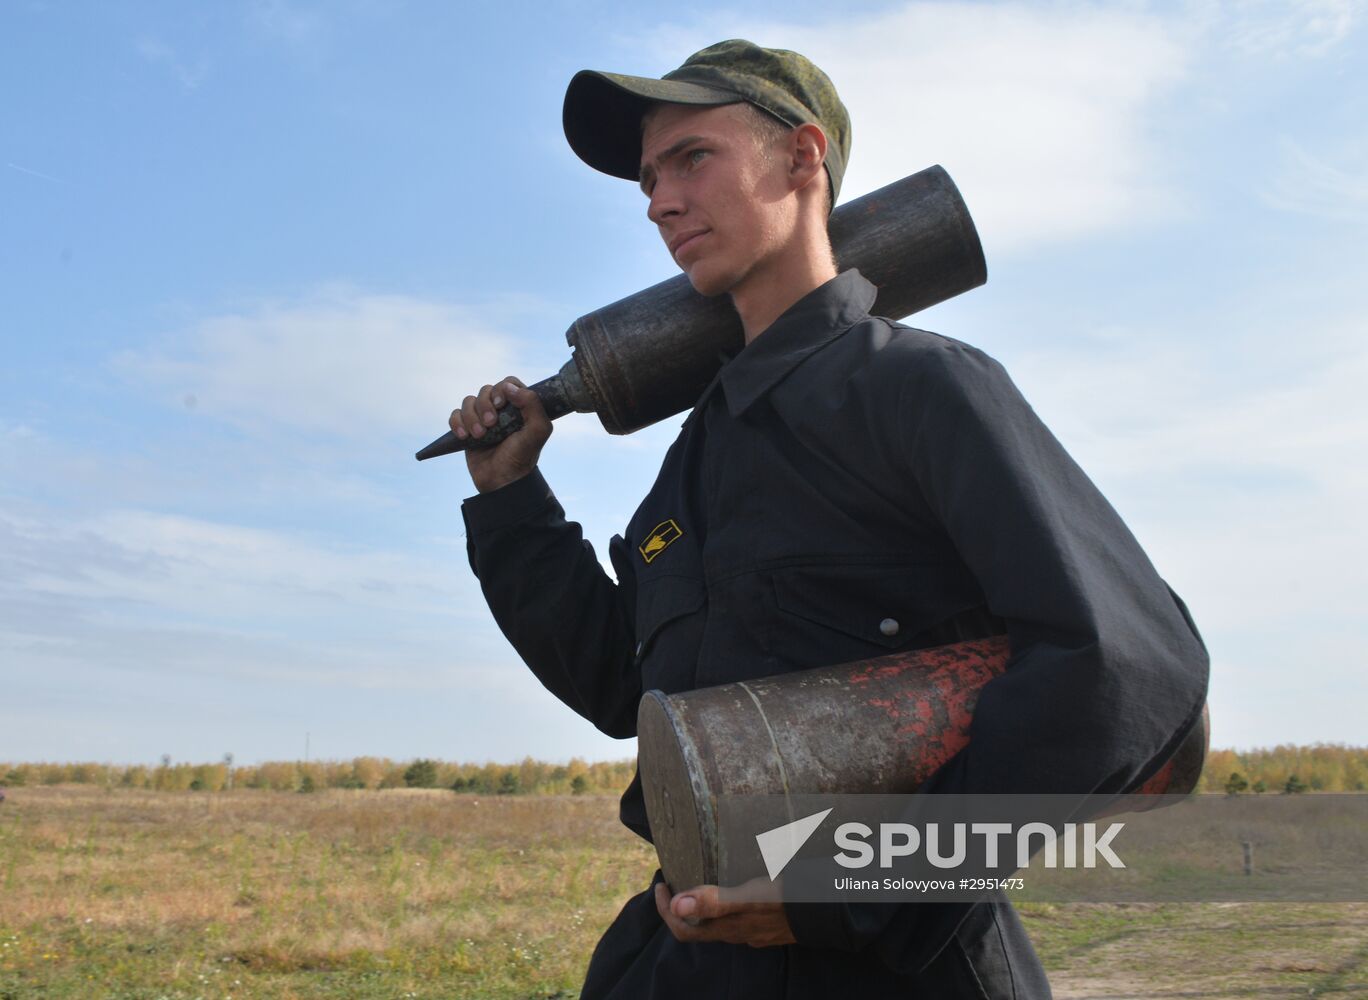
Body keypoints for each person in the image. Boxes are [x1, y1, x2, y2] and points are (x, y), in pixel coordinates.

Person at [449, 40, 1209, 999]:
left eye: (692, 158)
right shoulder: (696, 459)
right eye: (647, 179)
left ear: (803, 159)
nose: (658, 202)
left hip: (887, 971)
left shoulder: (920, 388)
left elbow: (1123, 662)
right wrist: (511, 500)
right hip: (684, 959)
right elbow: (623, 689)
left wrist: (856, 889)